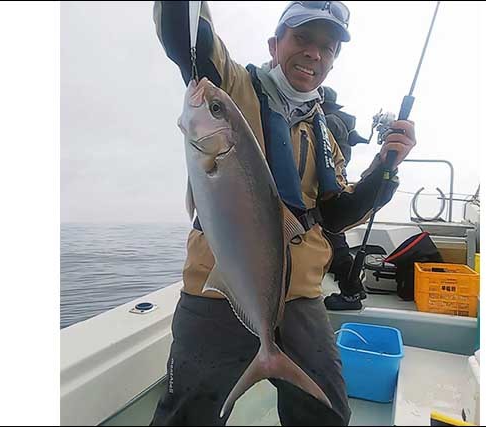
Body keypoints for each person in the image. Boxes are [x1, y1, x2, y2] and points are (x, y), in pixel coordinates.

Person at [150, 2, 416, 425]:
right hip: (216, 287)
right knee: (190, 413)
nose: (315, 53)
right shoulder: (232, 87)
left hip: (299, 296)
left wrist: (385, 167)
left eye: (327, 47)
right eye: (303, 39)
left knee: (325, 411)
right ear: (275, 45)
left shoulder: (323, 130)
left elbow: (334, 215)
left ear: (333, 61)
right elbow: (186, 38)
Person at [321, 86, 371, 310]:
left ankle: (352, 292)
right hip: (335, 187)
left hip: (325, 190)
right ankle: (353, 289)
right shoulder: (339, 121)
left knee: (335, 242)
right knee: (336, 240)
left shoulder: (327, 121)